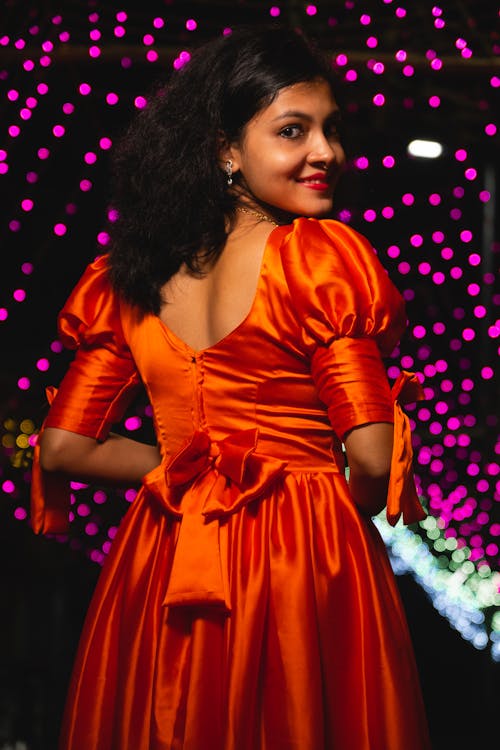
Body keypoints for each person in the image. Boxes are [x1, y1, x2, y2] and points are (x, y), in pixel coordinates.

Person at [31, 26, 431, 750]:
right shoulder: (320, 258)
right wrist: (339, 509)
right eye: (293, 130)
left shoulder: (132, 277)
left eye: (331, 130)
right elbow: (372, 458)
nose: (326, 153)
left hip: (164, 554)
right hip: (301, 558)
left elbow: (62, 447)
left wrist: (185, 467)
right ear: (224, 149)